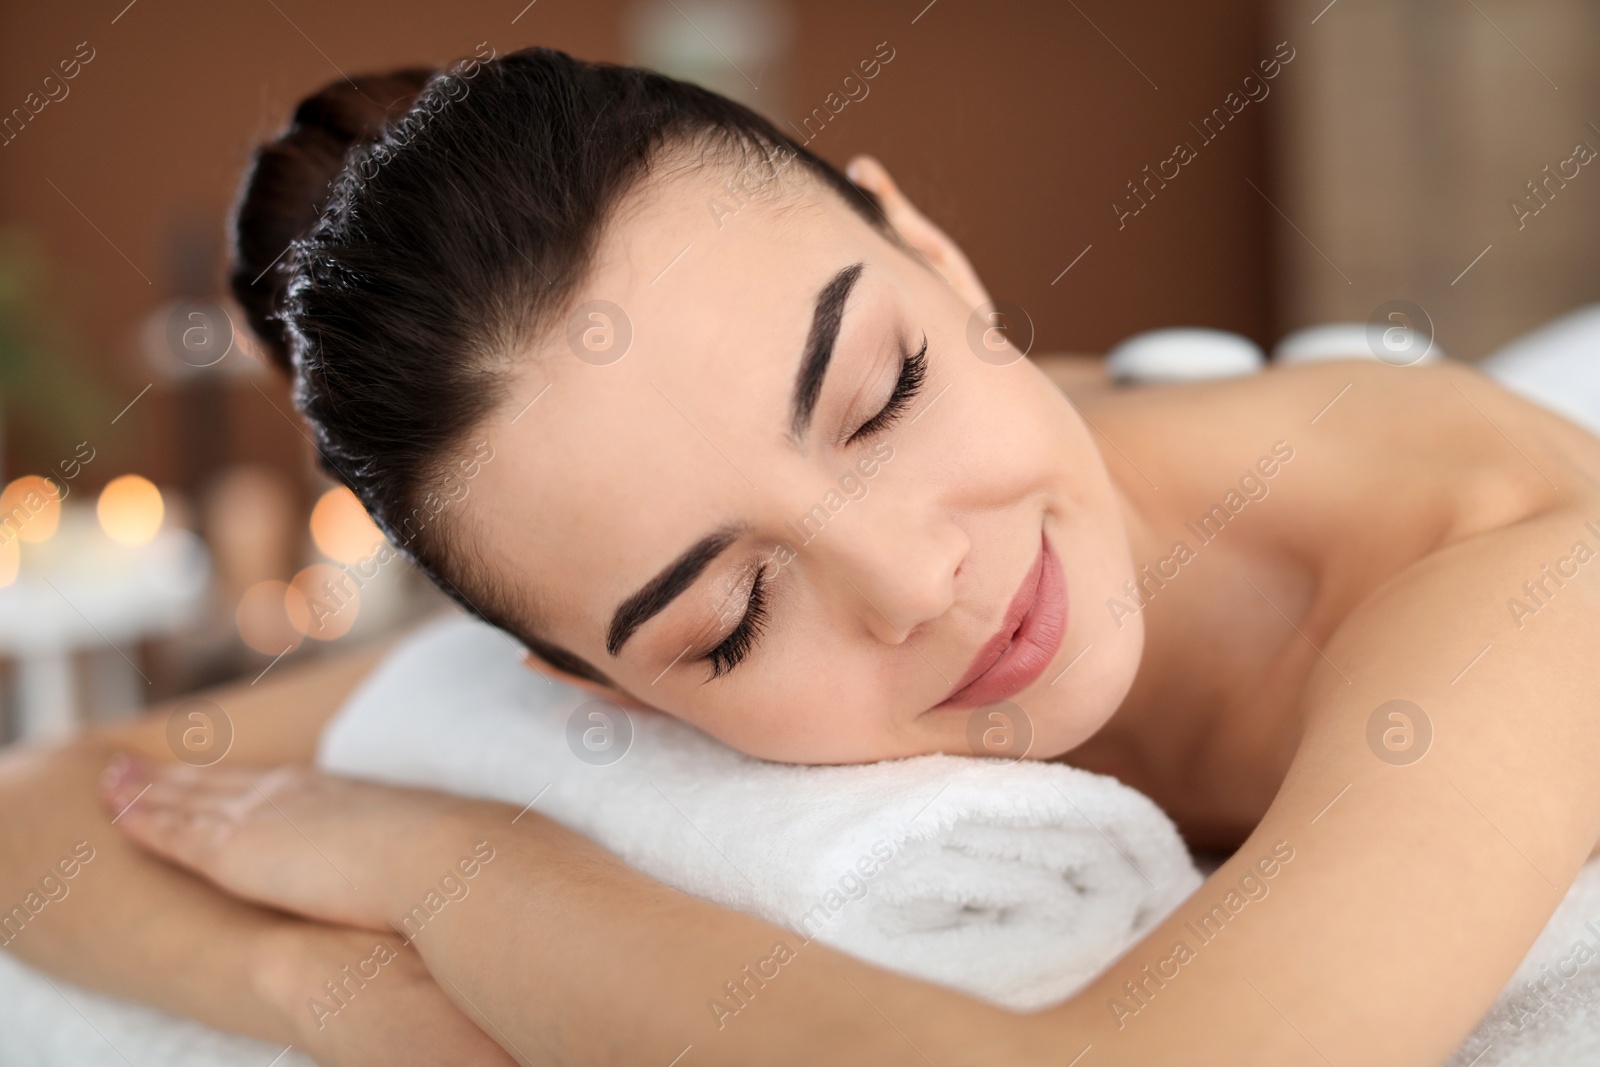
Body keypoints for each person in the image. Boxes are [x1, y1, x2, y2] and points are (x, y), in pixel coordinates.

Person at [3, 44, 1599, 1066]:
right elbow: (42, 809)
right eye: (731, 613)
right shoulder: (561, 637)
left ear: (930, 250)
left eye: (879, 394)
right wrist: (330, 995)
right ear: (577, 676)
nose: (917, 583)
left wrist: (452, 872)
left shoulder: (1517, 567)